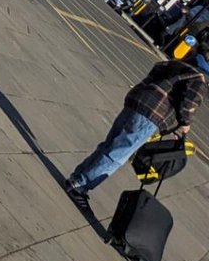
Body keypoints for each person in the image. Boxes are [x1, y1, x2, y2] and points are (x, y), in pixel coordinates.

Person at [64, 59, 207, 209]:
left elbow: (156, 68)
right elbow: (188, 105)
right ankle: (79, 185)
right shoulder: (199, 79)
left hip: (136, 101)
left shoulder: (176, 64)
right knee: (118, 154)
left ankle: (76, 179)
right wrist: (185, 124)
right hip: (152, 114)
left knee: (110, 144)